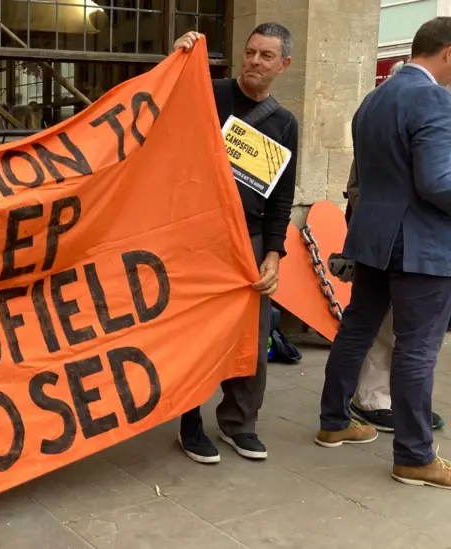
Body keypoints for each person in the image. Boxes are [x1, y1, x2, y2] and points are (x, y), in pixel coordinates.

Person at [316, 17, 451, 490]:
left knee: (356, 328)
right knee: (418, 348)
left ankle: (334, 421)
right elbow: (437, 182)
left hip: (373, 238)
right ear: (448, 53)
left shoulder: (372, 100)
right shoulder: (435, 97)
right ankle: (415, 456)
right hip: (421, 246)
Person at [172, 23, 298, 464]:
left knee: (253, 335)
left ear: (284, 65)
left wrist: (274, 254)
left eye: (266, 56)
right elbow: (160, 105)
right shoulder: (210, 93)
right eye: (250, 52)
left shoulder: (284, 125)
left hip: (250, 239)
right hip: (200, 236)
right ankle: (189, 424)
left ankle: (239, 423)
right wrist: (176, 61)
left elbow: (282, 198)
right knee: (196, 335)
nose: (254, 63)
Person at [342, 149, 445, 433]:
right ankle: (372, 399)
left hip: (419, 239)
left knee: (417, 334)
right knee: (388, 324)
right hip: (400, 238)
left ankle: (404, 402)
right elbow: (360, 184)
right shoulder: (409, 117)